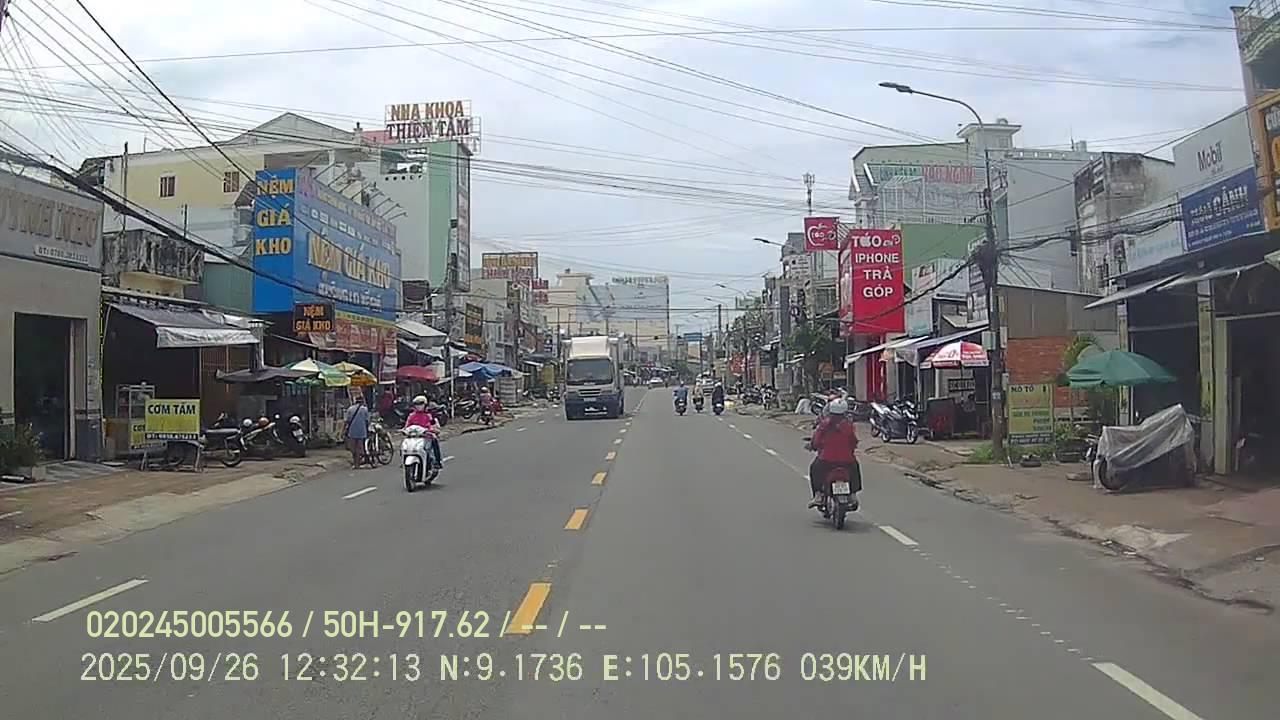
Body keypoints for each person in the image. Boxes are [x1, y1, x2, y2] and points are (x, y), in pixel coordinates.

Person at [809, 398, 861, 509]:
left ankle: (818, 495)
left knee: (814, 469)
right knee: (855, 468)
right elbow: (853, 441)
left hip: (826, 459)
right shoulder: (848, 425)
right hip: (847, 460)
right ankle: (853, 494)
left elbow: (816, 440)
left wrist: (813, 446)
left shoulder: (824, 424)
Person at [404, 395, 443, 469]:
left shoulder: (429, 415)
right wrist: (405, 430)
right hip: (414, 437)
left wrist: (433, 430)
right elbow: (407, 425)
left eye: (421, 404)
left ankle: (437, 462)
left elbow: (434, 425)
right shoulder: (411, 416)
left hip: (426, 437)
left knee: (434, 442)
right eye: (417, 404)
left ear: (425, 405)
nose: (419, 406)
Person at [343, 395, 371, 468]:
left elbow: (347, 421)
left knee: (352, 447)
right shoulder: (364, 409)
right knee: (359, 447)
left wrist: (344, 430)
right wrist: (367, 429)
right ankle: (357, 462)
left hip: (352, 430)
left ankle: (355, 460)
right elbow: (367, 421)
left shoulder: (350, 409)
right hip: (362, 431)